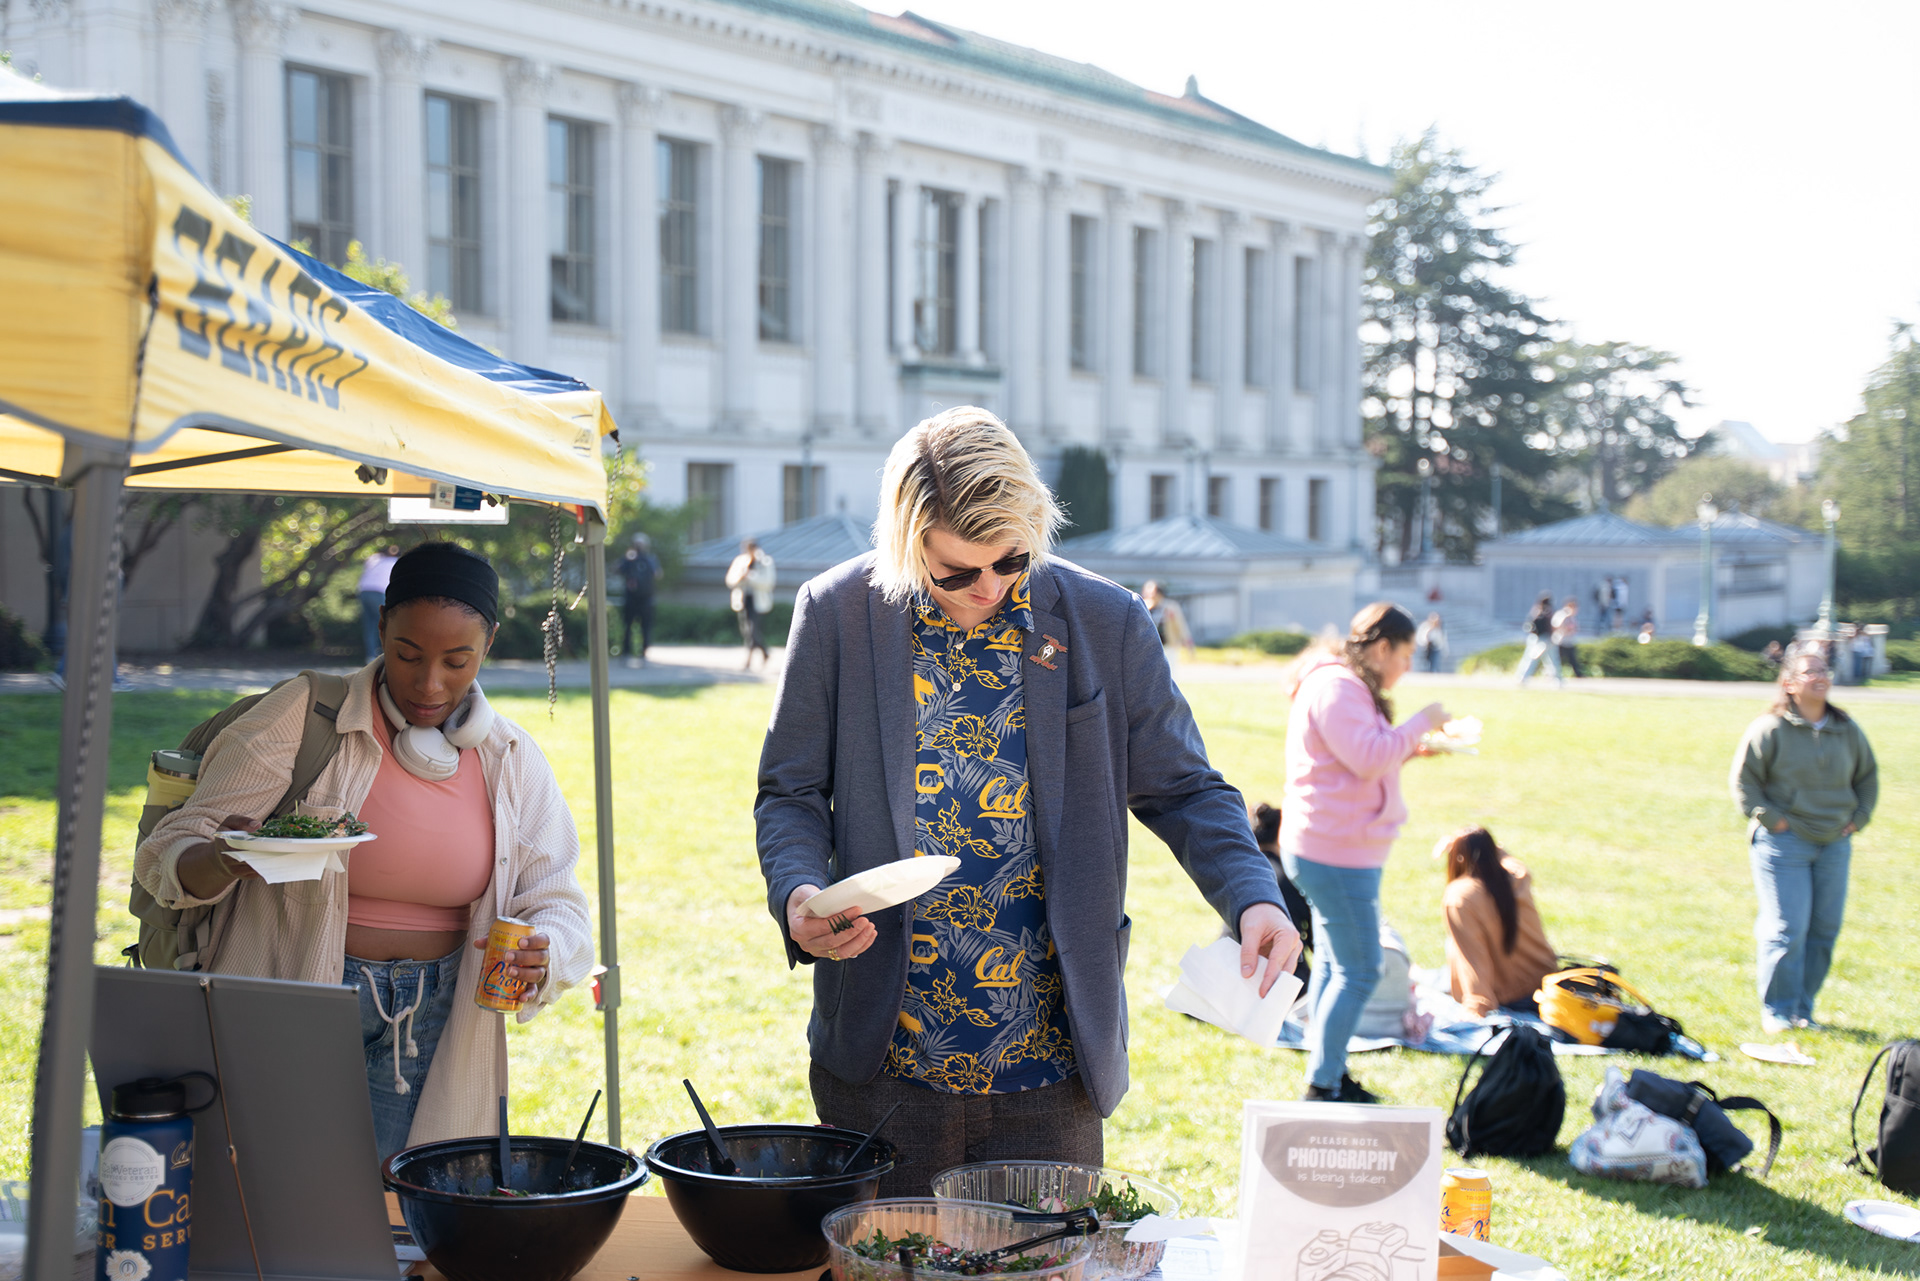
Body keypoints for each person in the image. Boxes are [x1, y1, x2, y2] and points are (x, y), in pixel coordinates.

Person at [757, 407, 1298, 1195]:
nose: (989, 587)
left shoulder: (1107, 620)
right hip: (882, 1068)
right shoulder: (837, 612)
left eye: (1011, 559)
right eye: (956, 571)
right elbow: (791, 790)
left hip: (1052, 1072)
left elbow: (1184, 785)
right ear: (908, 542)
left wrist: (1255, 896)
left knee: (1051, 1256)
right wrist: (800, 893)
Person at [135, 543, 594, 1160]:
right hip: (293, 993)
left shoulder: (511, 757)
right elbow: (168, 849)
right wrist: (223, 857)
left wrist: (547, 949)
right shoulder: (301, 715)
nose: (429, 683)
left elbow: (557, 898)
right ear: (380, 627)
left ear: (487, 645)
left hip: (433, 1014)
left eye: (457, 661)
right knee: (281, 1184)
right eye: (408, 654)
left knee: (395, 1194)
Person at [1280, 602, 1447, 1103]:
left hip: (1333, 846)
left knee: (1337, 965)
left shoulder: (1339, 683)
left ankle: (1328, 1071)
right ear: (1382, 648)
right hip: (1335, 851)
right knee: (1361, 969)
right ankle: (1324, 1084)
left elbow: (1360, 755)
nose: (1408, 667)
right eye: (1406, 655)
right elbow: (1369, 757)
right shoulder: (1339, 686)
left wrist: (1408, 746)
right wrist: (1421, 723)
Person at [1730, 645, 1878, 1033]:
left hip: (1835, 842)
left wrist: (1859, 819)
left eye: (1823, 670)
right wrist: (1772, 820)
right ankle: (1778, 1011)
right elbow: (1745, 782)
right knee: (1787, 928)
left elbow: (1867, 776)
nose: (1820, 677)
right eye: (1809, 671)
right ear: (1789, 683)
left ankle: (1802, 1009)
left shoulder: (1846, 729)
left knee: (1824, 929)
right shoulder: (1770, 728)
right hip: (1784, 842)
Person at [1437, 827, 1558, 1018]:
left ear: (1459, 857)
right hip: (1546, 985)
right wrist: (1478, 843)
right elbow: (1505, 858)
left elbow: (1474, 961)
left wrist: (1476, 1009)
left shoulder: (1460, 898)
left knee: (1447, 950)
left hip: (1508, 999)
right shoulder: (1518, 875)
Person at [1249, 802, 1312, 987]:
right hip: (1286, 974)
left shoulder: (1243, 876)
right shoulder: (1294, 877)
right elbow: (1314, 937)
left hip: (1236, 970)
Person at [727, 537, 776, 670]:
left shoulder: (765, 562)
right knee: (746, 630)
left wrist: (751, 577)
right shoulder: (740, 561)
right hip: (743, 600)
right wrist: (741, 577)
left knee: (753, 631)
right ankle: (764, 653)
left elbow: (768, 582)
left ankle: (748, 660)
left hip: (758, 601)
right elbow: (730, 580)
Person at [618, 533, 661, 666]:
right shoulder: (628, 558)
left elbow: (658, 574)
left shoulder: (650, 559)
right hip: (631, 598)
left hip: (646, 598)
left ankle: (643, 651)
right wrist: (628, 558)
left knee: (645, 626)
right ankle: (626, 652)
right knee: (628, 626)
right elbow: (618, 569)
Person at [358, 544, 400, 663]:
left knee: (370, 625)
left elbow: (367, 562)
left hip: (364, 591)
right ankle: (386, 654)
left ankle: (370, 656)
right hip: (379, 592)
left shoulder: (376, 559)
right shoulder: (395, 562)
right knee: (386, 623)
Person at [1140, 580, 1195, 662]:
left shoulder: (1170, 607)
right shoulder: (1143, 607)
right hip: (1150, 647)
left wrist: (1188, 642)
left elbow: (1181, 625)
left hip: (1168, 646)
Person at [1515, 593, 1561, 687]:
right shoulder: (1543, 612)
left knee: (1548, 660)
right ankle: (1523, 678)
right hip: (1541, 639)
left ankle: (1522, 678)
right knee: (1537, 660)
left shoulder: (1538, 610)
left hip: (1541, 638)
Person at [1551, 597, 1582, 679]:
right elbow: (1556, 625)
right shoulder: (1562, 615)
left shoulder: (1572, 616)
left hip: (1569, 641)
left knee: (1572, 659)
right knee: (1557, 659)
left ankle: (1578, 674)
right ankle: (1551, 674)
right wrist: (1564, 629)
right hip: (1561, 641)